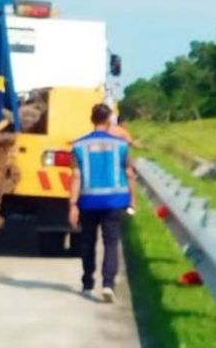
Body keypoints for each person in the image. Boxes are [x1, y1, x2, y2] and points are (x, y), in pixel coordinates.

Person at [68, 103, 135, 303]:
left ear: (92, 119)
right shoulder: (122, 145)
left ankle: (88, 283)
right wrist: (133, 201)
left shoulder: (78, 146)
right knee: (111, 242)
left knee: (88, 242)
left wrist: (72, 204)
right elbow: (129, 173)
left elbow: (76, 176)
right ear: (109, 120)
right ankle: (108, 285)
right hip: (115, 201)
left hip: (88, 202)